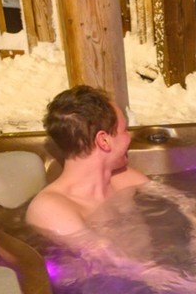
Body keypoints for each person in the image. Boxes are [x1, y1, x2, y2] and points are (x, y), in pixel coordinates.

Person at [26, 85, 148, 236]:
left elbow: (181, 202)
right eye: (124, 130)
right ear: (103, 140)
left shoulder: (125, 179)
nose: (129, 138)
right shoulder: (51, 208)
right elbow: (103, 257)